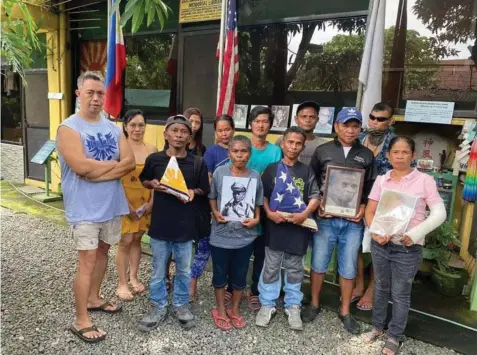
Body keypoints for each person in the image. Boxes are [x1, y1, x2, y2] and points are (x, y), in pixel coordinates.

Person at [56, 71, 135, 343]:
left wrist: (95, 171)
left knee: (103, 252)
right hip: (84, 209)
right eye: (90, 92)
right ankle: (81, 320)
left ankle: (93, 298)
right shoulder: (68, 128)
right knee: (87, 261)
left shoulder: (114, 127)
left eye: (100, 93)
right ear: (79, 94)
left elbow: (129, 162)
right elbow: (78, 166)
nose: (96, 98)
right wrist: (111, 167)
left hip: (110, 206)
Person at [363, 136, 446, 355]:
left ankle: (394, 336)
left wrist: (415, 233)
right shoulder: (382, 180)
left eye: (405, 152)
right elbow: (369, 212)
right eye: (395, 152)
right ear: (388, 155)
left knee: (400, 293)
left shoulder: (424, 181)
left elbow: (439, 213)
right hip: (381, 244)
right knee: (380, 287)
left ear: (413, 155)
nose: (400, 156)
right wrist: (376, 231)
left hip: (408, 248)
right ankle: (377, 327)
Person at [303, 107, 377, 334]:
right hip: (325, 218)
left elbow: (370, 187)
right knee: (318, 263)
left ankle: (345, 310)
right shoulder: (323, 150)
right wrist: (318, 204)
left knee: (347, 267)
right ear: (336, 126)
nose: (350, 130)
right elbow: (312, 181)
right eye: (346, 125)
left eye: (355, 126)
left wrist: (363, 207)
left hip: (352, 222)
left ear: (360, 129)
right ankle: (314, 303)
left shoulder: (366, 155)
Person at [138, 115, 209, 331]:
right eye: (174, 130)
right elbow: (144, 179)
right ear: (166, 134)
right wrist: (150, 183)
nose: (178, 135)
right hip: (160, 225)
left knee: (184, 271)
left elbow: (204, 189)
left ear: (190, 136)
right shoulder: (154, 160)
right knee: (158, 270)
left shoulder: (197, 162)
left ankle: (180, 304)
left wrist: (192, 192)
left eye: (183, 131)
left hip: (185, 227)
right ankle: (158, 305)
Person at [256, 126, 320, 331]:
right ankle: (267, 304)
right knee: (271, 266)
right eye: (289, 142)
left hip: (298, 229)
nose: (293, 146)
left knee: (295, 268)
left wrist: (304, 214)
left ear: (303, 146)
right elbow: (263, 196)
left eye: (298, 143)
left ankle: (293, 305)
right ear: (282, 143)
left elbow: (315, 197)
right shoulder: (272, 169)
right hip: (275, 228)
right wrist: (268, 213)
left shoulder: (307, 170)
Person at [209, 135, 263, 330]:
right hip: (220, 236)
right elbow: (212, 197)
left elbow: (257, 202)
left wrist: (256, 219)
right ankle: (221, 309)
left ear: (249, 154)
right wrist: (215, 212)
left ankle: (235, 309)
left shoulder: (254, 176)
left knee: (240, 274)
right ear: (229, 153)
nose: (240, 155)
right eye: (235, 151)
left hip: (244, 237)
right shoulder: (219, 173)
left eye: (244, 151)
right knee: (220, 273)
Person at [239, 105, 282, 311]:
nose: (261, 125)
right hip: (241, 206)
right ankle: (234, 287)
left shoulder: (276, 151)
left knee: (261, 252)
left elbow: (278, 181)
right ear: (250, 124)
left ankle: (256, 290)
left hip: (266, 207)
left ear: (270, 125)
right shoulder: (242, 146)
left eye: (265, 121)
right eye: (257, 121)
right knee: (239, 250)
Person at [354, 102, 395, 311]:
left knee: (378, 247)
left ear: (390, 121)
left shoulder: (395, 143)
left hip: (383, 204)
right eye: (372, 117)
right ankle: (359, 283)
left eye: (381, 119)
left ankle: (372, 289)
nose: (375, 122)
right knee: (356, 245)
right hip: (356, 201)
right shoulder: (359, 138)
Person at [189, 115, 235, 300]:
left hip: (237, 210)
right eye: (220, 130)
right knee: (203, 248)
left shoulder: (241, 149)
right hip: (214, 207)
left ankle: (227, 286)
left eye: (227, 129)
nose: (224, 134)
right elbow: (207, 179)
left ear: (233, 129)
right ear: (215, 132)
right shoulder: (212, 152)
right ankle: (192, 282)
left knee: (230, 250)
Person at [115, 110, 157, 302]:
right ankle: (122, 282)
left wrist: (151, 202)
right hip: (125, 200)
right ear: (125, 126)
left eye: (141, 125)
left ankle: (133, 276)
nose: (137, 129)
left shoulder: (152, 148)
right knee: (125, 240)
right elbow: (115, 179)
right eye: (133, 125)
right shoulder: (119, 148)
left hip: (145, 201)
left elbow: (157, 178)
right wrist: (125, 205)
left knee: (138, 239)